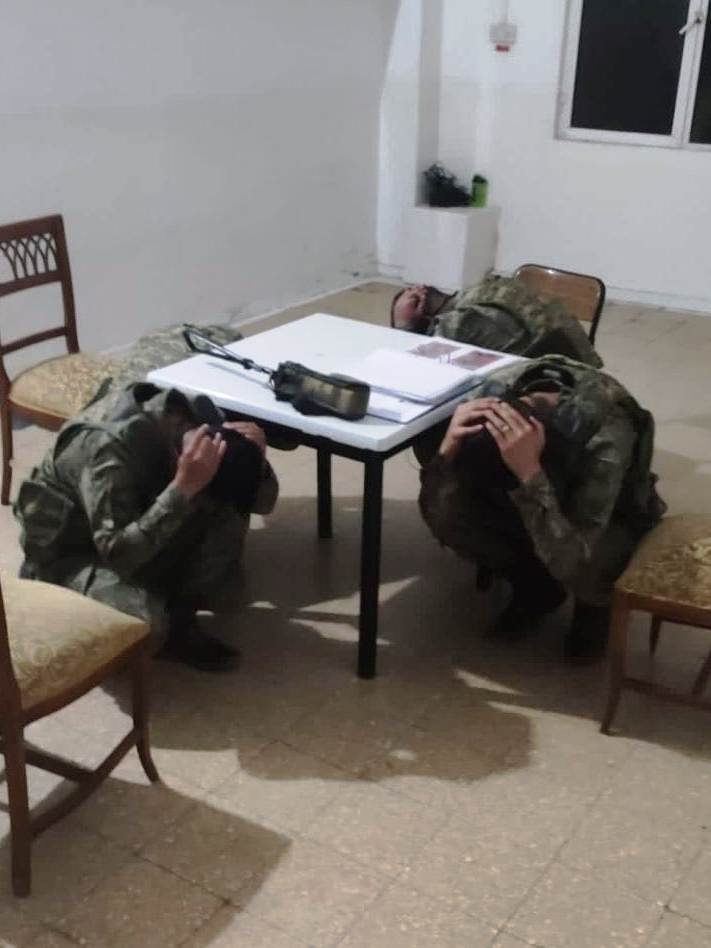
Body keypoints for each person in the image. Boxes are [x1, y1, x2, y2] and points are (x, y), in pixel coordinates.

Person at [14, 381, 279, 672]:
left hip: (134, 520)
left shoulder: (208, 426)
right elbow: (118, 555)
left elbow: (262, 503)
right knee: (146, 621)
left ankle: (180, 615)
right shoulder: (108, 452)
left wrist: (259, 457)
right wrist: (181, 490)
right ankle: (160, 622)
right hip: (73, 551)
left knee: (226, 549)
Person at [418, 355, 666, 659]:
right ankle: (536, 587)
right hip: (536, 477)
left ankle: (594, 603)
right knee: (450, 509)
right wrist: (447, 451)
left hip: (611, 513)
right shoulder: (484, 402)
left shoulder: (605, 437)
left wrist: (530, 475)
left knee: (597, 556)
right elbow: (433, 507)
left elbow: (574, 558)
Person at [390, 273, 603, 368]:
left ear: (423, 315)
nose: (412, 288)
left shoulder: (459, 326)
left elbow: (412, 366)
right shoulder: (486, 289)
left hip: (566, 388)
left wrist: (405, 327)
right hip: (578, 362)